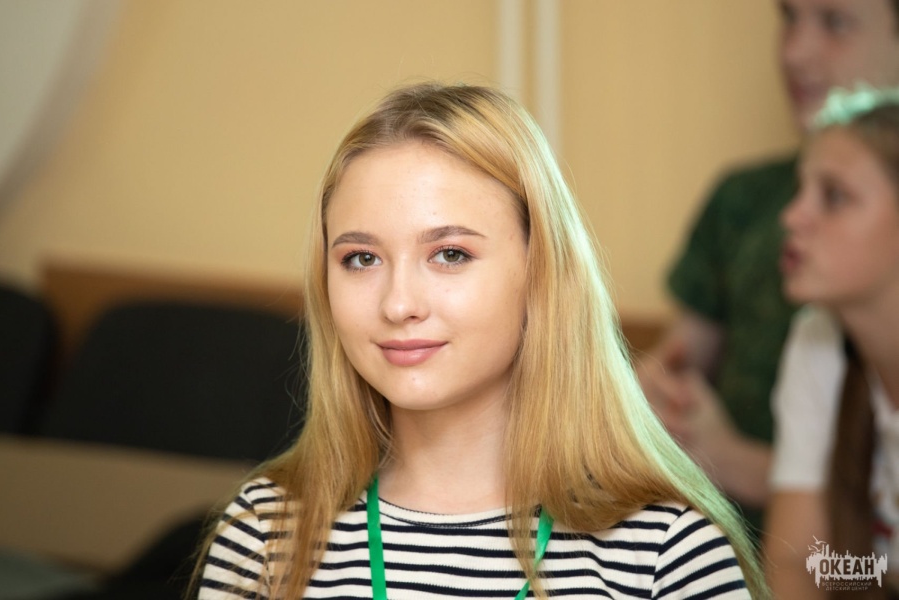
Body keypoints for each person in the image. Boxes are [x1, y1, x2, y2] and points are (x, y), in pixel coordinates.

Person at [193, 82, 767, 599]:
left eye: (450, 254)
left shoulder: (666, 554)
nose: (398, 304)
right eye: (361, 259)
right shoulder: (263, 534)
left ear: (540, 273)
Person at [638, 0, 899, 534]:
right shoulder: (816, 335)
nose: (794, 52)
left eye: (835, 22)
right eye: (788, 18)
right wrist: (650, 403)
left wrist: (734, 460)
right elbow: (678, 364)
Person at [764, 86, 899, 598]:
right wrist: (877, 576)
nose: (792, 216)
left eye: (834, 196)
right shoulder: (818, 337)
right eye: (800, 189)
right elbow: (797, 561)